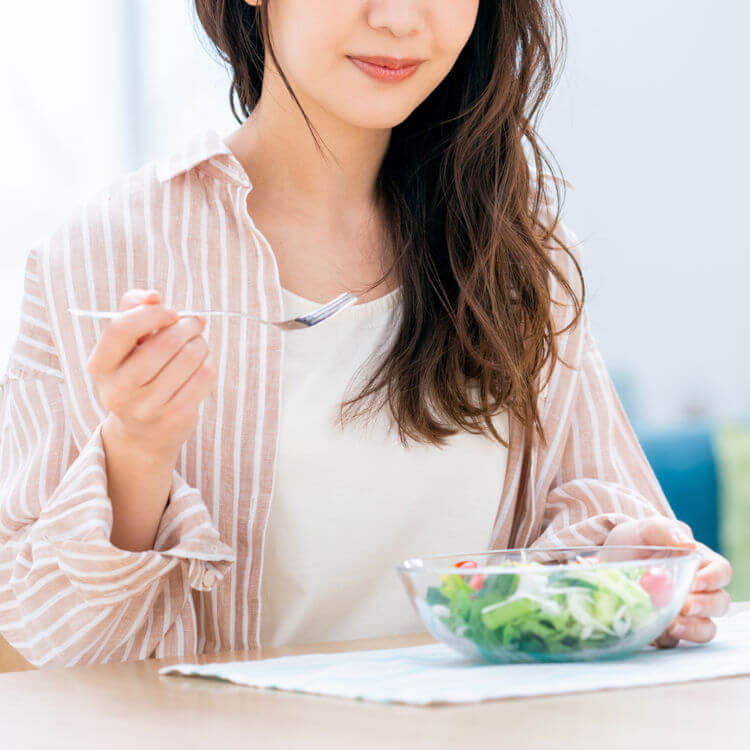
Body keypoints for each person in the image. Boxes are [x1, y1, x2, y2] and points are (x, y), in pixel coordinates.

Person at [0, 0, 731, 667]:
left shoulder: (519, 253)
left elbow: (592, 516)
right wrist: (136, 453)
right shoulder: (102, 256)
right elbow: (47, 649)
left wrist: (628, 567)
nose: (401, 18)